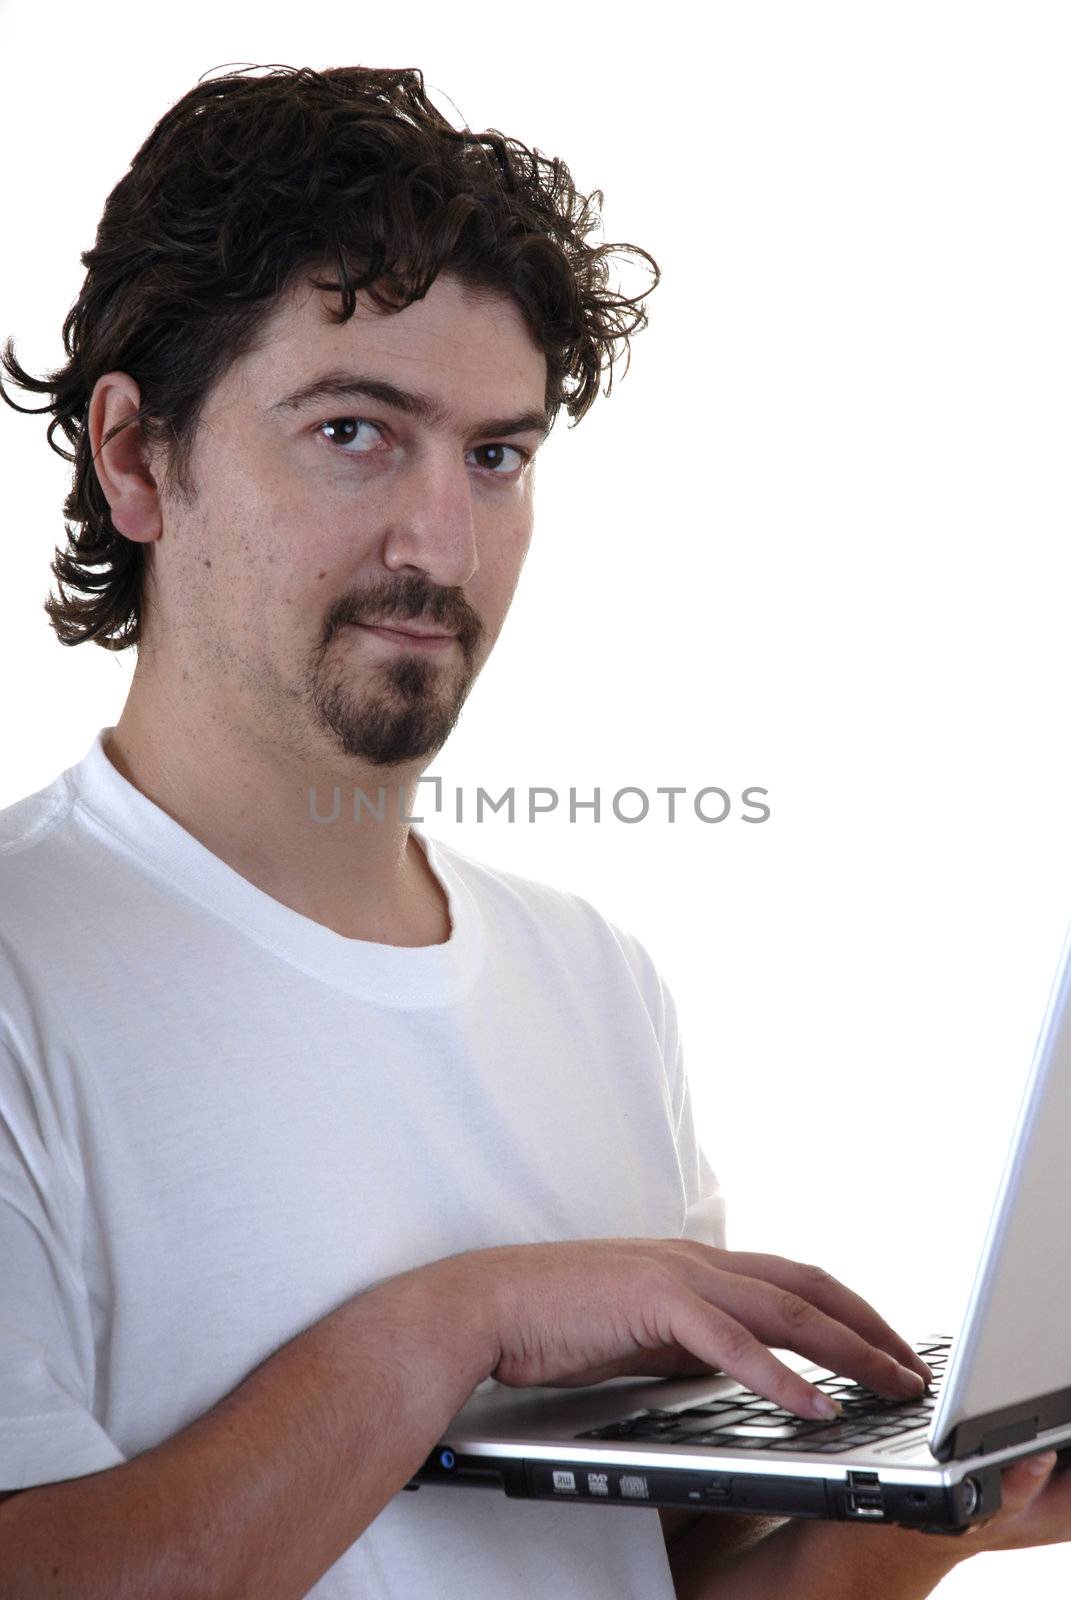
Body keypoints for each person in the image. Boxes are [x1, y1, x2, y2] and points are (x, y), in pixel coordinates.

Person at [0, 62, 1067, 1600]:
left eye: (496, 455)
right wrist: (449, 1328)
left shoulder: (598, 985)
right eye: (358, 432)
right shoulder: (32, 971)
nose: (444, 546)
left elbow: (641, 1581)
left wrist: (913, 1518)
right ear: (136, 457)